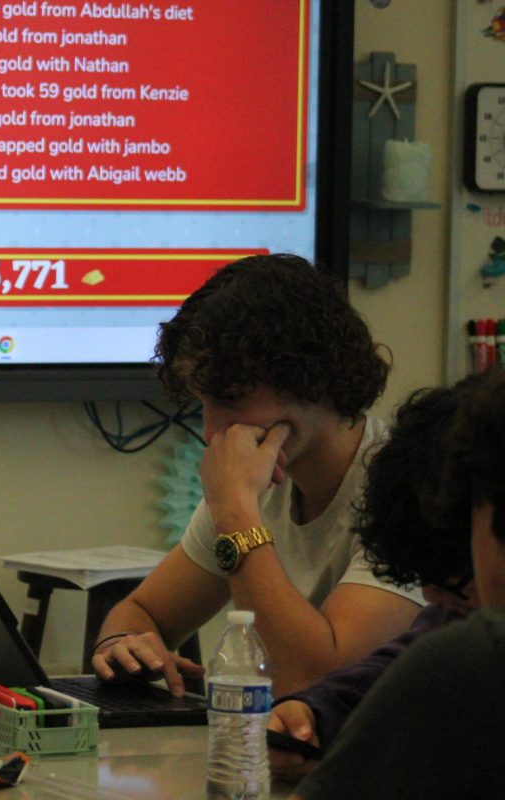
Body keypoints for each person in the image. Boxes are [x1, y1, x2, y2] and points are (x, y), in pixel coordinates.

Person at [91, 254, 423, 698]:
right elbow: (143, 612)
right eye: (203, 403)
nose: (212, 432)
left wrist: (236, 516)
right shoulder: (254, 488)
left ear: (314, 379)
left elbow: (313, 682)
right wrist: (124, 646)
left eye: (232, 398)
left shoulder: (410, 488)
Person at [292, 369, 505, 800]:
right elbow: (390, 665)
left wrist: (236, 520)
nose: (432, 597)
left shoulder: (476, 657)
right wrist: (315, 710)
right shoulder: (448, 640)